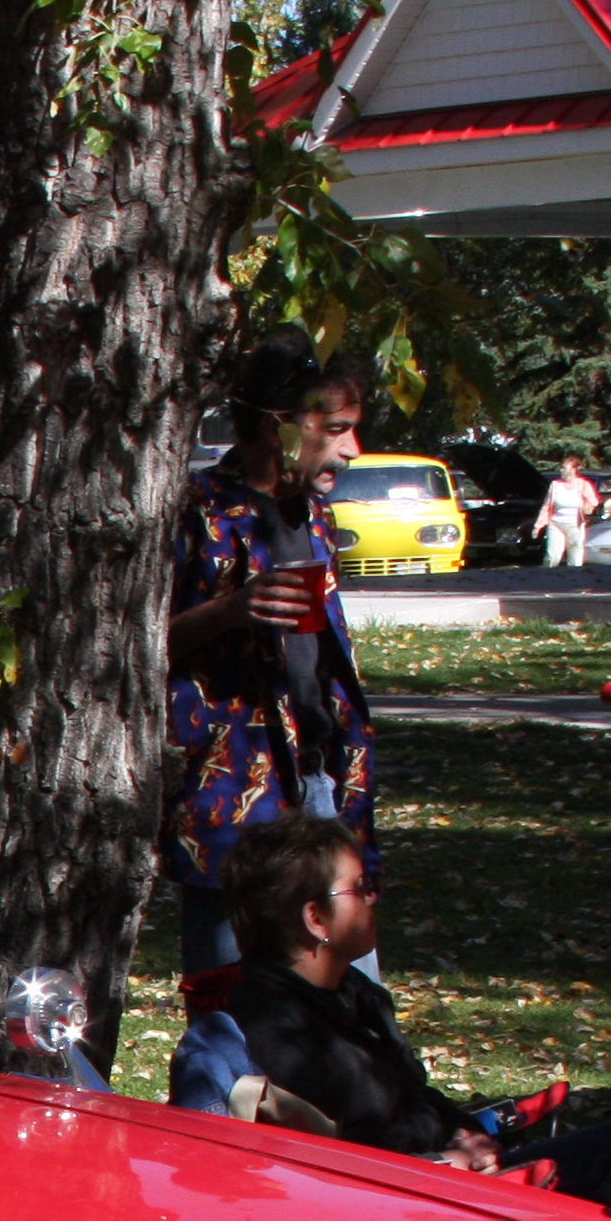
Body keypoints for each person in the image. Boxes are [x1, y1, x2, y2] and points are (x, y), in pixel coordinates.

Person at [223, 814, 611, 1210]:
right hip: (410, 1198)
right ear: (316, 918)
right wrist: (449, 1155)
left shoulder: (348, 991)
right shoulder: (279, 1027)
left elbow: (412, 1093)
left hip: (444, 1168)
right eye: (360, 889)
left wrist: (464, 1130)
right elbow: (358, 1149)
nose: (373, 899)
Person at [163, 329, 378, 986]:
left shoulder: (310, 515)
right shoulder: (198, 512)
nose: (352, 448)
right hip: (234, 800)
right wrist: (229, 611)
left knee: (353, 993)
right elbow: (123, 648)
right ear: (279, 424)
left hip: (320, 783)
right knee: (233, 1001)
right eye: (336, 428)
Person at [538, 457, 596, 569]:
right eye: (561, 467)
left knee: (575, 557)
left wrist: (588, 507)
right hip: (556, 524)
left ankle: (573, 581)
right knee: (552, 556)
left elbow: (593, 502)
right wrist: (538, 525)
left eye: (564, 467)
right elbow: (546, 506)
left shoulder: (583, 484)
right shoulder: (555, 485)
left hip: (575, 525)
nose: (561, 470)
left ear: (574, 469)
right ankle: (545, 576)